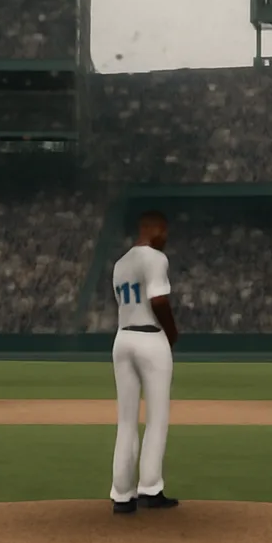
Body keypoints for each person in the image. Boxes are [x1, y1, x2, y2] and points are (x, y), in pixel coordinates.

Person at [110, 210, 179, 515]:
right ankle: (150, 488)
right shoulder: (155, 258)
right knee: (156, 418)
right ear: (154, 229)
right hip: (150, 337)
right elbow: (159, 300)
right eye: (163, 231)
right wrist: (173, 333)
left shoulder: (120, 263)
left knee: (126, 421)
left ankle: (122, 495)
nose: (165, 238)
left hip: (122, 338)